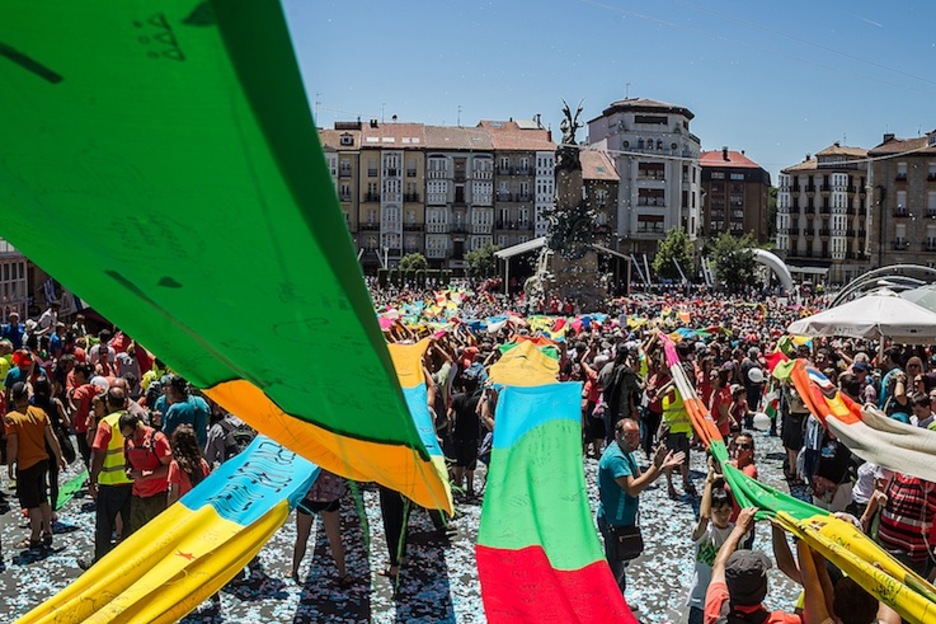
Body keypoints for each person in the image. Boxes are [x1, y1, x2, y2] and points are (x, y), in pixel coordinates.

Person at [597, 418, 684, 602]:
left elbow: (639, 478)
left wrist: (660, 467)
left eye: (637, 436)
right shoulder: (616, 458)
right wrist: (656, 467)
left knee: (621, 565)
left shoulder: (626, 453)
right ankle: (612, 608)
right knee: (615, 570)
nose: (634, 440)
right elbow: (633, 488)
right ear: (617, 435)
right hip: (614, 521)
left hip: (623, 521)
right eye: (629, 436)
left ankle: (619, 603)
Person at [704, 508, 821, 624]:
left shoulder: (715, 609)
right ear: (765, 590)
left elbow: (719, 565)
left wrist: (739, 528)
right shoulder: (782, 621)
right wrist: (801, 539)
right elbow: (817, 616)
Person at [4, 381, 66, 549]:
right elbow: (51, 436)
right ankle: (47, 531)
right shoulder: (40, 412)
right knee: (42, 498)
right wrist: (59, 456)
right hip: (42, 460)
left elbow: (12, 445)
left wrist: (9, 465)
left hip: (26, 464)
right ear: (27, 397)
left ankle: (35, 537)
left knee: (32, 503)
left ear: (14, 399)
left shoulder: (11, 418)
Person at [80, 387, 133, 569]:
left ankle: (100, 563)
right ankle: (127, 559)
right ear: (125, 402)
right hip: (131, 480)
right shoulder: (134, 420)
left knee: (104, 525)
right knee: (128, 524)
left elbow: (99, 454)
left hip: (110, 482)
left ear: (108, 403)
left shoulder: (106, 423)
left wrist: (92, 480)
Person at [687, 465, 735, 624]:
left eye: (727, 510)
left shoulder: (737, 532)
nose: (723, 516)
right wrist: (709, 482)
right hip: (701, 602)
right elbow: (704, 517)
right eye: (718, 511)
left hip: (725, 603)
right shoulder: (704, 533)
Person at [290, 468, 350, 587]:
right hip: (330, 495)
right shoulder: (335, 450)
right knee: (335, 539)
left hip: (308, 496)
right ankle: (343, 575)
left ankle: (294, 571)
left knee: (302, 537)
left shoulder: (306, 451)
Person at [119, 411, 172, 535]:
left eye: (131, 435)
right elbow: (128, 463)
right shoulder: (129, 441)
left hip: (158, 496)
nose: (130, 439)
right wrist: (129, 471)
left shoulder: (156, 439)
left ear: (138, 426)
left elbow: (170, 467)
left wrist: (148, 475)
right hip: (137, 495)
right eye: (126, 437)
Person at [166, 424, 209, 505]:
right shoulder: (202, 463)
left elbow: (173, 494)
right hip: (200, 506)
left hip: (184, 509)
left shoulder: (176, 465)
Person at [162, 376, 209, 449]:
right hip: (203, 450)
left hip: (184, 452)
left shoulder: (175, 409)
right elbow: (208, 420)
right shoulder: (201, 402)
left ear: (174, 390)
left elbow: (166, 434)